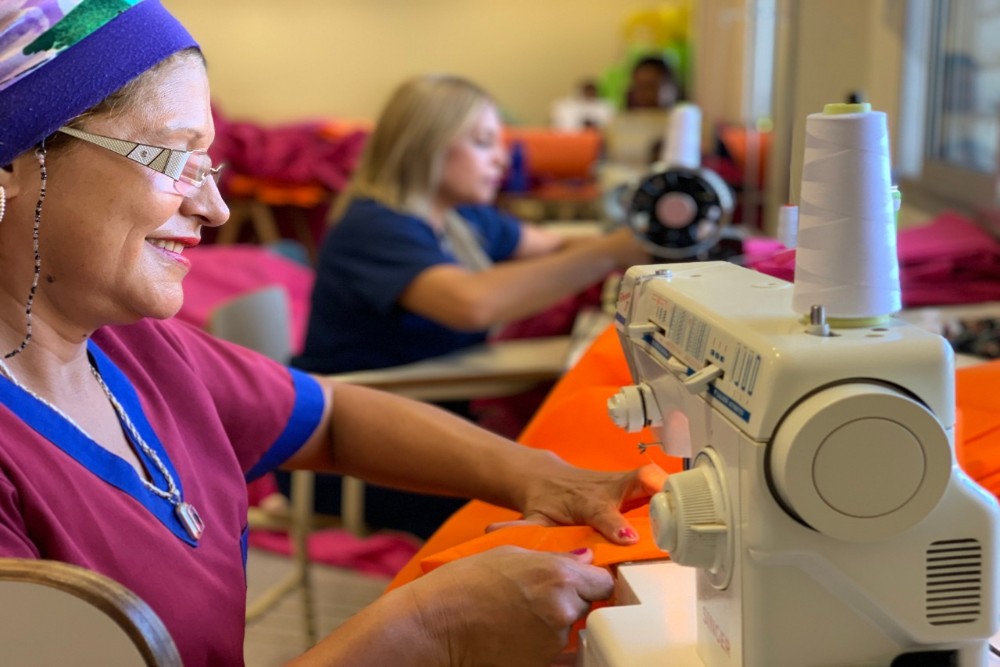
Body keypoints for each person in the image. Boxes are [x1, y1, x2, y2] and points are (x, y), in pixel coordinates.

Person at [0, 3, 666, 666]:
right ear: (9, 166)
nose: (215, 207)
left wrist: (547, 477)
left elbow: (333, 417)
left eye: (209, 168)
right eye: (173, 158)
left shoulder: (135, 348)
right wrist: (430, 627)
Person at [291, 74, 652, 536]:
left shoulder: (461, 219)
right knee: (562, 503)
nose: (502, 159)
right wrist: (612, 251)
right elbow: (471, 304)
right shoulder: (374, 227)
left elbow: (553, 245)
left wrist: (617, 243)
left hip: (427, 424)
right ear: (427, 147)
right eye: (484, 143)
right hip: (359, 455)